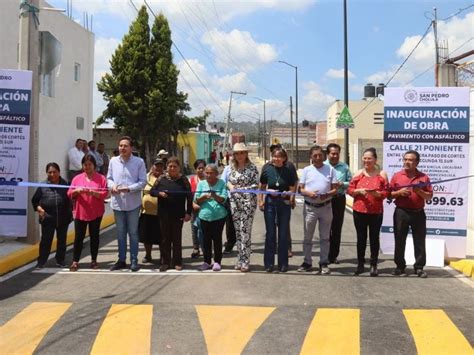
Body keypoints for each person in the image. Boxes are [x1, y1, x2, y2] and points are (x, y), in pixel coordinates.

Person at [390, 150, 433, 278]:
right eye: (405, 159)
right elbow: (388, 194)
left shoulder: (424, 177)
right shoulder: (397, 176)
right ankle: (400, 266)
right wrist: (399, 193)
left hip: (418, 213)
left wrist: (419, 191)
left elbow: (429, 196)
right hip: (401, 212)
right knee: (399, 240)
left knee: (419, 241)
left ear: (417, 162)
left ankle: (419, 267)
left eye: (410, 160)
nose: (407, 162)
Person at [107, 136, 147, 272]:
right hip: (117, 203)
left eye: (125, 146)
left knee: (133, 233)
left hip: (133, 204)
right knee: (120, 233)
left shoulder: (139, 162)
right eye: (120, 145)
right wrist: (112, 186)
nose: (122, 148)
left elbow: (143, 181)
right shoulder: (113, 161)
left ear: (131, 148)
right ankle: (121, 259)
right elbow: (109, 178)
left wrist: (129, 188)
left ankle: (134, 260)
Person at [348, 147, 389, 276]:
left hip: (376, 212)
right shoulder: (358, 174)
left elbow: (387, 191)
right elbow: (349, 190)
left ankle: (373, 264)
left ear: (375, 159)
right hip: (359, 210)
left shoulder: (381, 174)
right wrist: (357, 191)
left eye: (369, 158)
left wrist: (377, 194)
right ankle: (360, 264)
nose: (367, 161)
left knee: (374, 238)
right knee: (361, 238)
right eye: (365, 158)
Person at [298, 145, 338, 275]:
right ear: (311, 157)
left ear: (324, 156)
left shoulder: (330, 170)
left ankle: (324, 263)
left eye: (320, 155)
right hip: (310, 208)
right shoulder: (306, 170)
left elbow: (335, 189)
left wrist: (328, 194)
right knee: (308, 237)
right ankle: (307, 262)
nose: (318, 158)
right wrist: (308, 193)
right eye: (315, 155)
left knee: (325, 238)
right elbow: (301, 189)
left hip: (326, 207)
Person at [150, 157, 192, 272]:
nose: (172, 168)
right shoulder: (161, 178)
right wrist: (159, 193)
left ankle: (177, 262)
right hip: (163, 214)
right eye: (170, 166)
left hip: (178, 214)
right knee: (164, 239)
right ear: (167, 167)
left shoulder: (183, 179)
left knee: (176, 239)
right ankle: (165, 262)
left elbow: (189, 196)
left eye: (175, 166)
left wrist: (188, 212)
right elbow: (152, 191)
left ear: (179, 168)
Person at [259, 148, 297, 272]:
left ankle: (283, 264)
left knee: (283, 234)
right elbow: (262, 187)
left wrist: (289, 195)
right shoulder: (267, 169)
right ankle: (269, 264)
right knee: (270, 234)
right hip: (270, 203)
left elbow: (293, 188)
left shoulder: (288, 171)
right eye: (275, 156)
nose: (277, 159)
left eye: (280, 156)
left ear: (284, 158)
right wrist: (262, 198)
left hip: (284, 203)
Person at [67, 155, 108, 271]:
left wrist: (93, 193)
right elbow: (69, 193)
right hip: (81, 213)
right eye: (85, 164)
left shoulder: (101, 178)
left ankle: (94, 260)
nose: (87, 167)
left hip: (96, 213)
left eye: (90, 164)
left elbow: (105, 194)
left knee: (94, 236)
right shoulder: (77, 179)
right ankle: (75, 261)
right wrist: (77, 191)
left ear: (94, 165)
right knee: (78, 237)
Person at [31, 163, 73, 269]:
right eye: (50, 172)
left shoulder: (66, 184)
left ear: (59, 172)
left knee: (62, 241)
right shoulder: (42, 186)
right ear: (47, 173)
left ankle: (60, 260)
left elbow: (72, 198)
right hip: (47, 219)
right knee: (46, 241)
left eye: (55, 172)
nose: (52, 174)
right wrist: (39, 209)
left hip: (63, 218)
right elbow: (34, 201)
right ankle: (41, 262)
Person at [227, 143, 258, 272]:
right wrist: (230, 187)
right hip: (234, 203)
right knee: (238, 232)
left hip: (248, 203)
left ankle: (245, 260)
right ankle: (240, 258)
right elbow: (227, 181)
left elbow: (256, 185)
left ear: (246, 154)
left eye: (242, 153)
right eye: (237, 153)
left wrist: (240, 189)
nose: (239, 155)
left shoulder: (252, 168)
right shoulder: (231, 168)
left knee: (245, 231)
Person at [194, 164, 228, 271]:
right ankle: (206, 261)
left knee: (217, 239)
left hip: (219, 216)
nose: (208, 175)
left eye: (211, 173)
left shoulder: (222, 183)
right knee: (205, 240)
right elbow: (196, 200)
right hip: (204, 216)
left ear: (216, 174)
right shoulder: (202, 184)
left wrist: (214, 195)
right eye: (206, 173)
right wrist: (203, 197)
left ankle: (217, 261)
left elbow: (223, 199)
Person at [325, 143, 352, 264]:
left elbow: (351, 182)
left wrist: (343, 184)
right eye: (332, 153)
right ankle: (324, 255)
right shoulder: (322, 166)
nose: (335, 156)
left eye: (337, 153)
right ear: (328, 154)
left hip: (339, 199)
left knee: (336, 228)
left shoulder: (344, 167)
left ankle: (333, 256)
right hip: (325, 200)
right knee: (325, 228)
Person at [139, 159, 165, 264]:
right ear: (152, 166)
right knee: (147, 237)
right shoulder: (145, 177)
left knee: (162, 237)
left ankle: (163, 256)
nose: (158, 168)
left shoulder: (165, 178)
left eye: (161, 166)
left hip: (161, 213)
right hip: (147, 213)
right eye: (156, 166)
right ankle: (148, 255)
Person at [189, 159, 206, 258]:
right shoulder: (191, 180)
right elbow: (188, 196)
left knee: (206, 229)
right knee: (194, 229)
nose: (201, 170)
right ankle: (196, 248)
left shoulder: (208, 180)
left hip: (206, 209)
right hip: (194, 208)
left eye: (202, 168)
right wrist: (192, 205)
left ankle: (205, 248)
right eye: (198, 168)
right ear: (195, 169)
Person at [221, 157, 236, 254]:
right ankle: (230, 244)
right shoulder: (227, 169)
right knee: (230, 223)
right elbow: (223, 182)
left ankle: (243, 245)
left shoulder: (246, 169)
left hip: (243, 200)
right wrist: (229, 186)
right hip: (230, 199)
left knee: (243, 223)